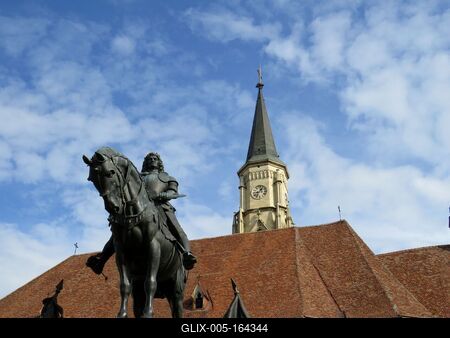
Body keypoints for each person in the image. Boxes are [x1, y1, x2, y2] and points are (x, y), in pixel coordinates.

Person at [86, 152, 197, 274]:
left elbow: (173, 192)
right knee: (118, 232)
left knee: (175, 227)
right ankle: (101, 260)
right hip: (140, 207)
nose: (152, 160)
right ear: (145, 163)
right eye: (149, 159)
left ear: (159, 162)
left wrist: (164, 195)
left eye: (155, 158)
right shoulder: (139, 177)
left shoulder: (168, 178)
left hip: (160, 206)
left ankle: (187, 253)